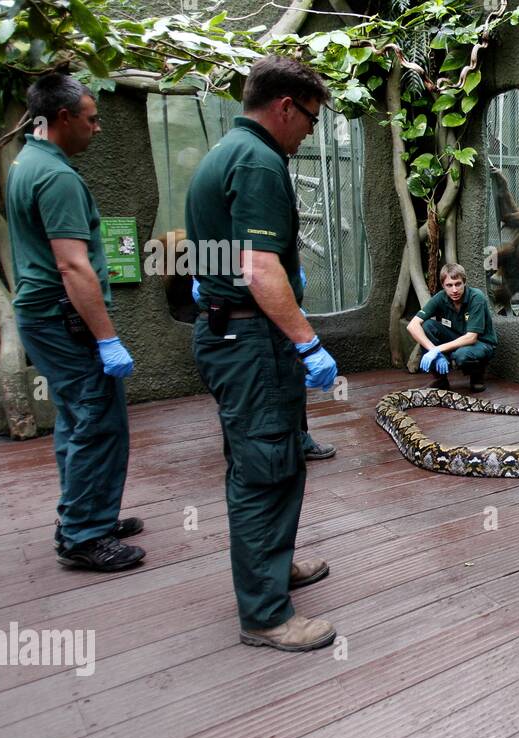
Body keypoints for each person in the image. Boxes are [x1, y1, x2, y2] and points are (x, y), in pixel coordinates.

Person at [185, 55, 339, 652]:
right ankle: (266, 614)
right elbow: (258, 265)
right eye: (310, 118)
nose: (309, 131)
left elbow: (223, 254)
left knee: (262, 459)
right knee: (266, 468)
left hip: (228, 332)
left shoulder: (224, 153)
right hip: (250, 340)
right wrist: (309, 342)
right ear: (284, 107)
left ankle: (273, 567)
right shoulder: (258, 161)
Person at [7, 72, 145, 571]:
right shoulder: (58, 177)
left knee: (77, 416)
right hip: (62, 318)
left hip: (42, 316)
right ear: (63, 118)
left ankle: (89, 516)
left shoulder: (27, 161)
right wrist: (107, 338)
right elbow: (72, 265)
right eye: (92, 118)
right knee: (97, 419)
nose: (98, 128)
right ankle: (85, 536)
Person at [192, 271, 335, 460]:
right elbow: (264, 272)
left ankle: (294, 441)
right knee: (259, 407)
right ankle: (272, 453)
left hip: (227, 326)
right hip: (249, 325)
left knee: (284, 385)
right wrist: (309, 345)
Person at [406, 263, 497, 392]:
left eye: (458, 284)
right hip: (457, 338)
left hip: (481, 343)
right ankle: (440, 379)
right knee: (427, 326)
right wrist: (433, 351)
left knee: (462, 355)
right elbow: (412, 325)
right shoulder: (440, 297)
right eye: (449, 285)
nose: (454, 290)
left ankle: (477, 376)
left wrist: (437, 349)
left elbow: (471, 338)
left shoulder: (476, 298)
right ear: (443, 285)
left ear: (464, 282)